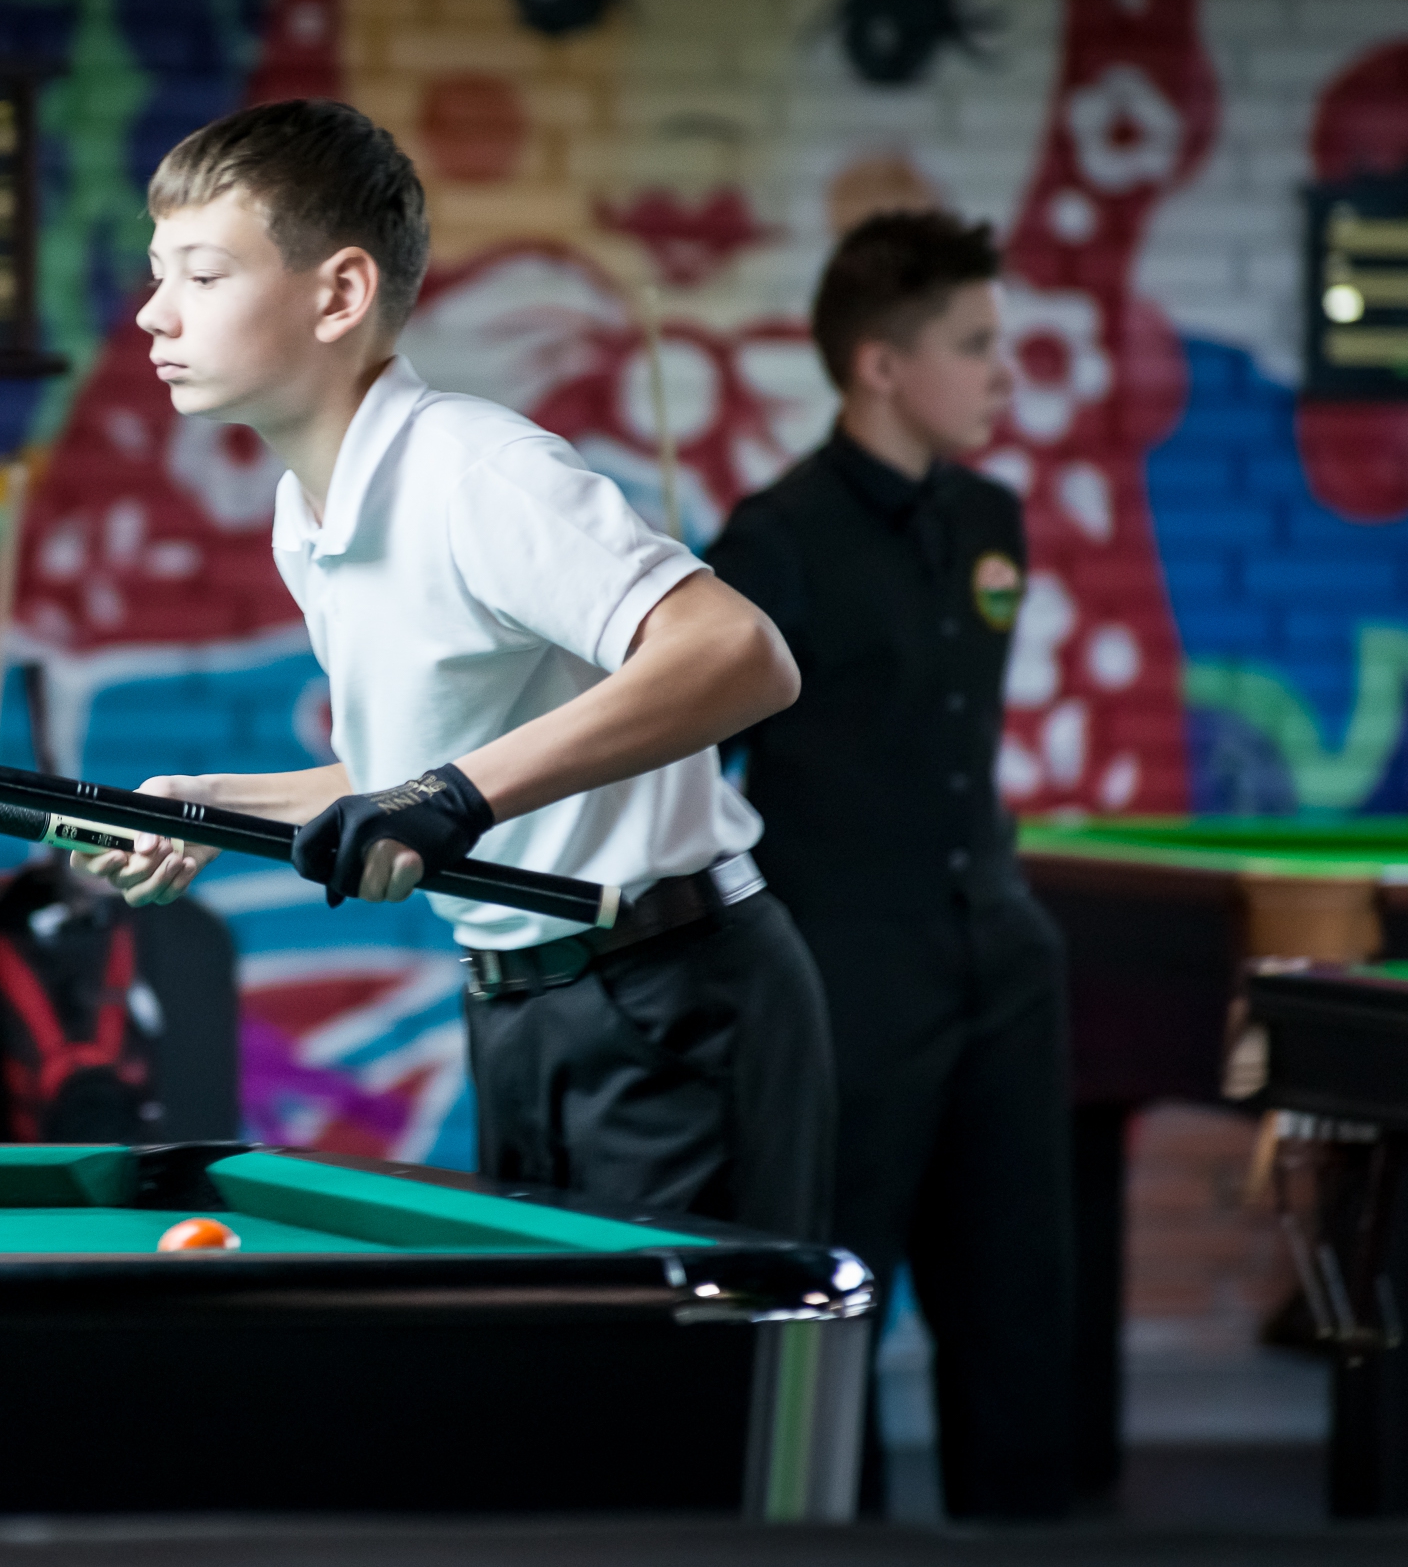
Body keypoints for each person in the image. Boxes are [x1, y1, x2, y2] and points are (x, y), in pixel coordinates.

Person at [73, 99, 834, 1243]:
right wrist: (217, 808)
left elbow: (741, 656)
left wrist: (451, 799)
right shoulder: (307, 513)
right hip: (521, 1005)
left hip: (672, 997)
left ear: (340, 294)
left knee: (676, 1364)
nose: (153, 311)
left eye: (203, 275)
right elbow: (413, 774)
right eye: (156, 273)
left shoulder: (477, 472)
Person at [704, 210, 1072, 1520]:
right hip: (845, 971)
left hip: (1002, 954)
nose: (1003, 373)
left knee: (1020, 1296)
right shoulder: (774, 538)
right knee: (839, 1286)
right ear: (880, 364)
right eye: (974, 345)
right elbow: (693, 756)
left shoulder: (992, 518)